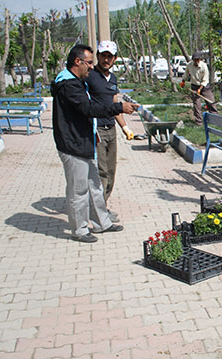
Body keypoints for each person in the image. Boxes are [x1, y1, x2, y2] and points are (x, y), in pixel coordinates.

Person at [51, 44, 139, 243]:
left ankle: (102, 223)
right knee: (78, 190)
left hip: (84, 140)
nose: (91, 67)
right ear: (78, 61)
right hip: (72, 144)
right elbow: (88, 107)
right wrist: (119, 107)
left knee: (95, 184)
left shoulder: (76, 81)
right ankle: (80, 230)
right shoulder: (68, 85)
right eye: (89, 62)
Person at [86, 40, 134, 223]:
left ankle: (102, 207)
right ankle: (99, 212)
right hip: (96, 129)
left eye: (110, 56)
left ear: (114, 58)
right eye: (103, 55)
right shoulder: (90, 77)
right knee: (102, 172)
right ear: (98, 56)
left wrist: (125, 127)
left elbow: (115, 104)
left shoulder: (112, 79)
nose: (106, 59)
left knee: (111, 171)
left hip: (111, 129)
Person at [180, 52, 218, 125]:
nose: (196, 61)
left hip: (204, 86)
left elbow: (205, 80)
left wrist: (200, 89)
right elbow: (186, 74)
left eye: (198, 60)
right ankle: (199, 122)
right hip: (194, 85)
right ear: (193, 60)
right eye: (195, 60)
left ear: (200, 59)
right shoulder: (189, 65)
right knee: (197, 105)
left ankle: (215, 120)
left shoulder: (204, 66)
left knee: (210, 101)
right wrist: (183, 81)